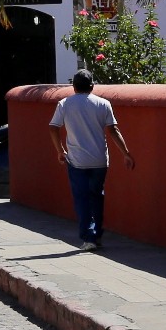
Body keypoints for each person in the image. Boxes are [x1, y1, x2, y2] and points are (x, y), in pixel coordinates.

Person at [48, 70, 135, 250]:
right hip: (99, 160)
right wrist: (126, 153)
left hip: (76, 160)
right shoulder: (103, 104)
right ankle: (97, 235)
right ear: (92, 86)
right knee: (97, 196)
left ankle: (89, 237)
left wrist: (60, 150)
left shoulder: (65, 104)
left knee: (82, 198)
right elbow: (113, 130)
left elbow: (53, 128)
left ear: (73, 87)